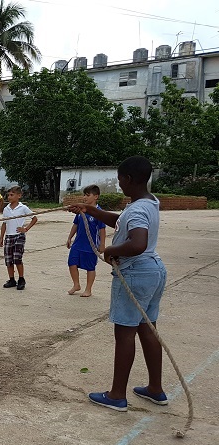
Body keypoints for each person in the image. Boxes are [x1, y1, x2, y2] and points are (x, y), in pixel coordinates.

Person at [69, 156, 167, 412]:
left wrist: (111, 249)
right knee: (148, 328)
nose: (118, 183)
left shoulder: (136, 209)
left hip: (135, 273)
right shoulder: (148, 202)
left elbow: (138, 243)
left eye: (120, 178)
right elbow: (120, 222)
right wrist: (89, 209)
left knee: (125, 334)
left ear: (129, 179)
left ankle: (116, 395)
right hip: (152, 270)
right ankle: (155, 389)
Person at [66, 184, 106, 297]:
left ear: (96, 197)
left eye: (88, 195)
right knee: (72, 262)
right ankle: (76, 284)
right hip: (78, 243)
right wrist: (69, 237)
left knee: (90, 267)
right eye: (84, 195)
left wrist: (102, 244)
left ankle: (88, 289)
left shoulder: (99, 212)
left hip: (91, 245)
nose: (85, 197)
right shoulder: (81, 211)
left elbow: (102, 229)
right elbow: (76, 224)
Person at [0, 186, 37, 290]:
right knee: (8, 259)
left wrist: (26, 228)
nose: (9, 197)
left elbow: (34, 218)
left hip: (18, 236)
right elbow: (4, 224)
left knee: (17, 258)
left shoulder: (23, 208)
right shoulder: (6, 209)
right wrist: (1, 237)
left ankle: (21, 279)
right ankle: (11, 279)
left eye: (12, 195)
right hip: (9, 236)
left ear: (19, 196)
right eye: (8, 195)